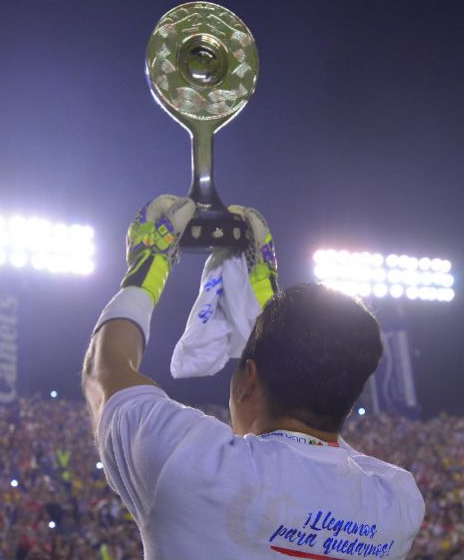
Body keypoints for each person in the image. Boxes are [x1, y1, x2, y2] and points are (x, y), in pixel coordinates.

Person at [81, 196, 426, 559]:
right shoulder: (398, 502)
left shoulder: (186, 462)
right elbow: (324, 420)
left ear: (248, 380)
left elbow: (105, 370)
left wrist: (146, 268)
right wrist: (268, 304)